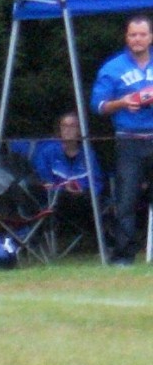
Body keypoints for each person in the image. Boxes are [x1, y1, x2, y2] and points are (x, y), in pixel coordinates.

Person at [91, 15, 153, 265]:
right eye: (132, 35)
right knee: (126, 201)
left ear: (150, 37)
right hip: (129, 141)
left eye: (142, 34)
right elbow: (98, 105)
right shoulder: (112, 68)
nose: (137, 39)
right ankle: (123, 256)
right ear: (126, 38)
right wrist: (124, 102)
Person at [31, 111, 105, 235]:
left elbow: (97, 181)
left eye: (72, 126)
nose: (68, 130)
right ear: (59, 129)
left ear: (80, 130)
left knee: (95, 200)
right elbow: (42, 179)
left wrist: (81, 188)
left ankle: (101, 238)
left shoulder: (88, 154)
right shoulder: (47, 152)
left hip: (83, 198)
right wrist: (62, 187)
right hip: (56, 199)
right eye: (64, 126)